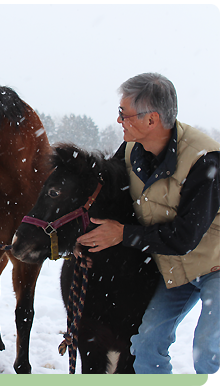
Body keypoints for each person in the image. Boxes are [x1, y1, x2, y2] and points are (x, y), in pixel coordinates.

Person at [77, 72, 220, 374]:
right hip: (174, 267)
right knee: (144, 347)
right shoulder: (130, 150)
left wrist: (123, 235)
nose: (118, 120)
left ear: (152, 119)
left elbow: (184, 237)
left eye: (123, 113)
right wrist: (83, 240)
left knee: (208, 351)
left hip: (214, 265)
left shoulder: (204, 159)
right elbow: (109, 203)